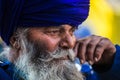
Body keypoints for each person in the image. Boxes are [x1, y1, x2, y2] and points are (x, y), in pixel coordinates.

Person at [0, 0, 119, 80]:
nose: (70, 43)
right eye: (54, 32)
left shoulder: (81, 73)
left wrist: (110, 64)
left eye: (72, 31)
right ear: (16, 40)